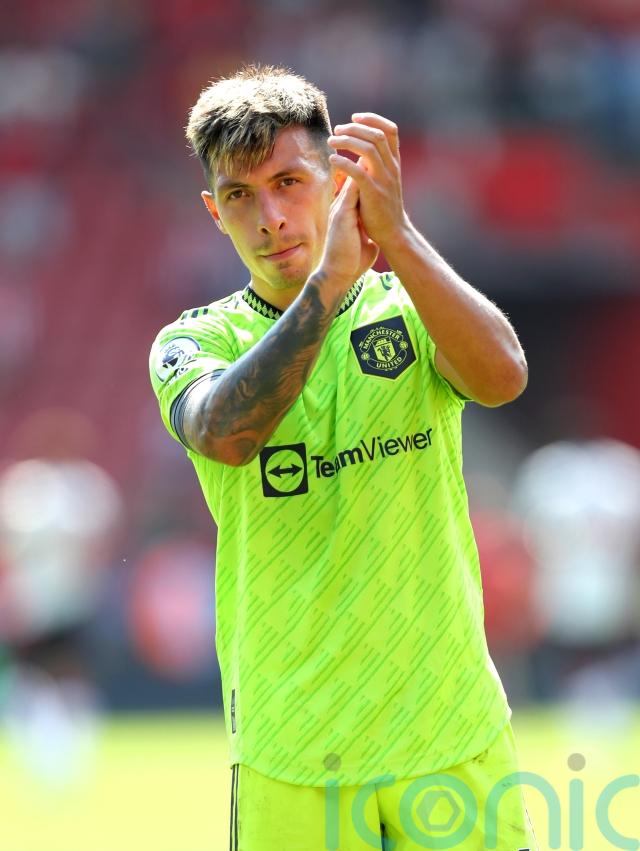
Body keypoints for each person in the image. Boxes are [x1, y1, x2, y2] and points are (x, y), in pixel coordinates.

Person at [149, 65, 536, 851]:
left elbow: (503, 378)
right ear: (214, 212)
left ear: (337, 182)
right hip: (294, 745)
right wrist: (327, 286)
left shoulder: (410, 307)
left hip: (447, 725)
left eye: (289, 182)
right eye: (240, 195)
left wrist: (399, 235)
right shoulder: (194, 340)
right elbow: (226, 432)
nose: (270, 217)